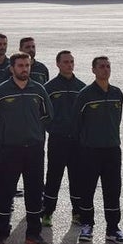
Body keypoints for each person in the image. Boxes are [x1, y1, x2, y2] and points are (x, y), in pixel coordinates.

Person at [0, 52, 53, 244]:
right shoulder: (1, 91)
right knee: (5, 192)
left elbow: (48, 115)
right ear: (12, 68)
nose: (24, 69)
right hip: (8, 150)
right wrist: (2, 133)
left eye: (27, 65)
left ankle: (33, 234)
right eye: (20, 65)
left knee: (35, 192)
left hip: (34, 150)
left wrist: (37, 133)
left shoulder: (38, 90)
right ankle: (1, 234)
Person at [73, 56, 123, 244]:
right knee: (87, 190)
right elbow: (76, 123)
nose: (105, 69)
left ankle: (113, 229)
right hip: (90, 151)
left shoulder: (117, 93)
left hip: (112, 150)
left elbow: (117, 119)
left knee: (113, 190)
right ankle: (87, 224)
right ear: (93, 70)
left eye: (108, 66)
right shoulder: (85, 94)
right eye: (101, 67)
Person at [41, 50, 84, 227]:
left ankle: (78, 212)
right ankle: (48, 212)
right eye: (65, 62)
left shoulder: (82, 88)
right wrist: (52, 128)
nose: (69, 65)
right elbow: (42, 114)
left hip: (77, 141)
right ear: (58, 64)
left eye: (71, 62)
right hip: (57, 140)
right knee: (53, 176)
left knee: (77, 177)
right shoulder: (49, 88)